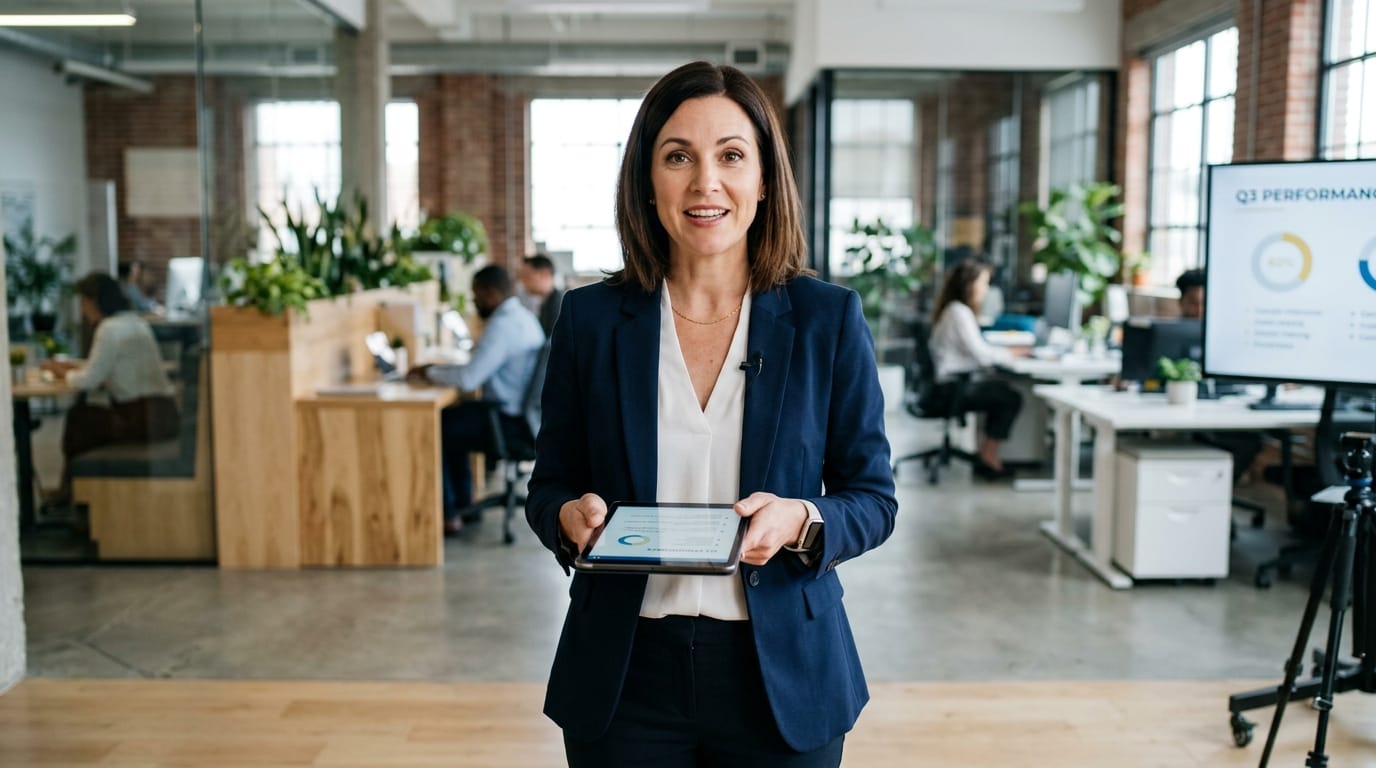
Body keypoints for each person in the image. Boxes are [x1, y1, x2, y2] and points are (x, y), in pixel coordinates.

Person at [525, 61, 897, 767]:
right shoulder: (590, 320)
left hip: (781, 670)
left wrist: (803, 519)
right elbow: (548, 486)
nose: (705, 183)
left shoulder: (827, 319)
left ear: (763, 179)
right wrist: (567, 520)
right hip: (624, 672)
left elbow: (873, 498)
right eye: (677, 157)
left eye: (731, 155)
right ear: (646, 179)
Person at [415, 265, 544, 535]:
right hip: (527, 419)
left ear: (491, 294)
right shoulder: (524, 317)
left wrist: (427, 372)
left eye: (476, 296)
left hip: (507, 422)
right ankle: (464, 503)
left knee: (435, 426)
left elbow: (468, 379)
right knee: (454, 419)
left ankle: (451, 513)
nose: (474, 302)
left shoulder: (502, 325)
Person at [42, 273, 179, 501]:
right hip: (164, 412)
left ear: (94, 301)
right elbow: (109, 368)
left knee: (79, 420)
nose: (83, 311)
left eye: (83, 303)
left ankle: (75, 494)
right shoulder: (136, 322)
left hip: (140, 418)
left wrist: (62, 372)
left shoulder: (108, 329)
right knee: (84, 418)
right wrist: (76, 370)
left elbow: (89, 380)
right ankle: (77, 494)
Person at [927, 257, 1025, 480]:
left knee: (1000, 390)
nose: (986, 289)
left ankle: (986, 453)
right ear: (970, 285)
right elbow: (982, 355)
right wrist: (1012, 354)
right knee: (1009, 397)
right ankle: (989, 457)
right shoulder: (959, 312)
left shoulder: (953, 310)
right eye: (984, 283)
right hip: (951, 388)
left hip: (949, 384)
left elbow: (977, 351)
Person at [518, 253, 565, 337]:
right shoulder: (547, 301)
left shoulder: (560, 306)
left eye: (527, 276)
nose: (522, 281)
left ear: (544, 274)